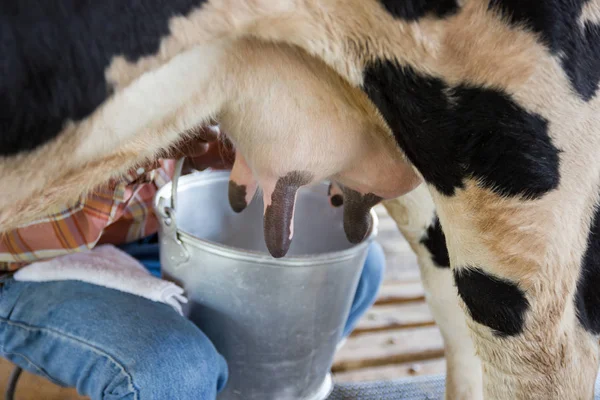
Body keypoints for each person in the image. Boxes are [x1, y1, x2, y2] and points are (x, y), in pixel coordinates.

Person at [0, 128, 386, 399]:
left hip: (151, 233)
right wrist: (143, 152)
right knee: (177, 368)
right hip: (25, 262)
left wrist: (243, 147)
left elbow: (205, 170)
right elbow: (17, 228)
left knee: (360, 269)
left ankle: (246, 389)